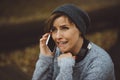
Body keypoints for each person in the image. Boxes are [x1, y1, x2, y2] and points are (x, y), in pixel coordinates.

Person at [32, 4, 115, 80]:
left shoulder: (100, 64)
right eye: (54, 30)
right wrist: (45, 59)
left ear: (80, 30)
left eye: (64, 28)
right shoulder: (56, 52)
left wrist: (66, 67)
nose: (57, 36)